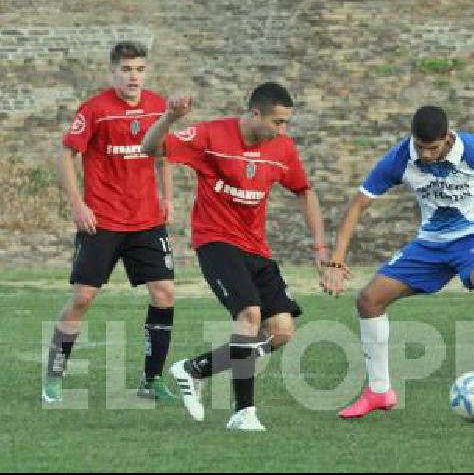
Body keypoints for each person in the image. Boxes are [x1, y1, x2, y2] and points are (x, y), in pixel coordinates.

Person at [321, 105, 474, 419]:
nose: (424, 155)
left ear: (448, 138)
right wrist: (337, 262)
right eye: (420, 147)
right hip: (431, 243)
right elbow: (357, 206)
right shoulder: (400, 158)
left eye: (432, 148)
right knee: (369, 300)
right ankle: (379, 391)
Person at [141, 82, 328, 431]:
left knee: (282, 332)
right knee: (249, 315)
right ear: (255, 114)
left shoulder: (282, 148)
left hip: (256, 247)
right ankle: (244, 413)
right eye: (277, 121)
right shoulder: (212, 135)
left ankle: (194, 369)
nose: (282, 130)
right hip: (216, 242)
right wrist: (169, 116)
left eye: (286, 122)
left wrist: (320, 248)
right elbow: (150, 148)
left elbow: (305, 192)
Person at [43, 41, 177, 404]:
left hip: (146, 219)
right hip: (102, 219)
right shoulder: (95, 110)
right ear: (113, 72)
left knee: (164, 293)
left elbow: (164, 155)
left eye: (139, 69)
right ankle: (54, 374)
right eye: (126, 70)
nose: (134, 76)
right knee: (83, 297)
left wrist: (167, 196)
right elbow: (66, 155)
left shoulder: (156, 107)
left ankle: (151, 380)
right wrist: (78, 204)